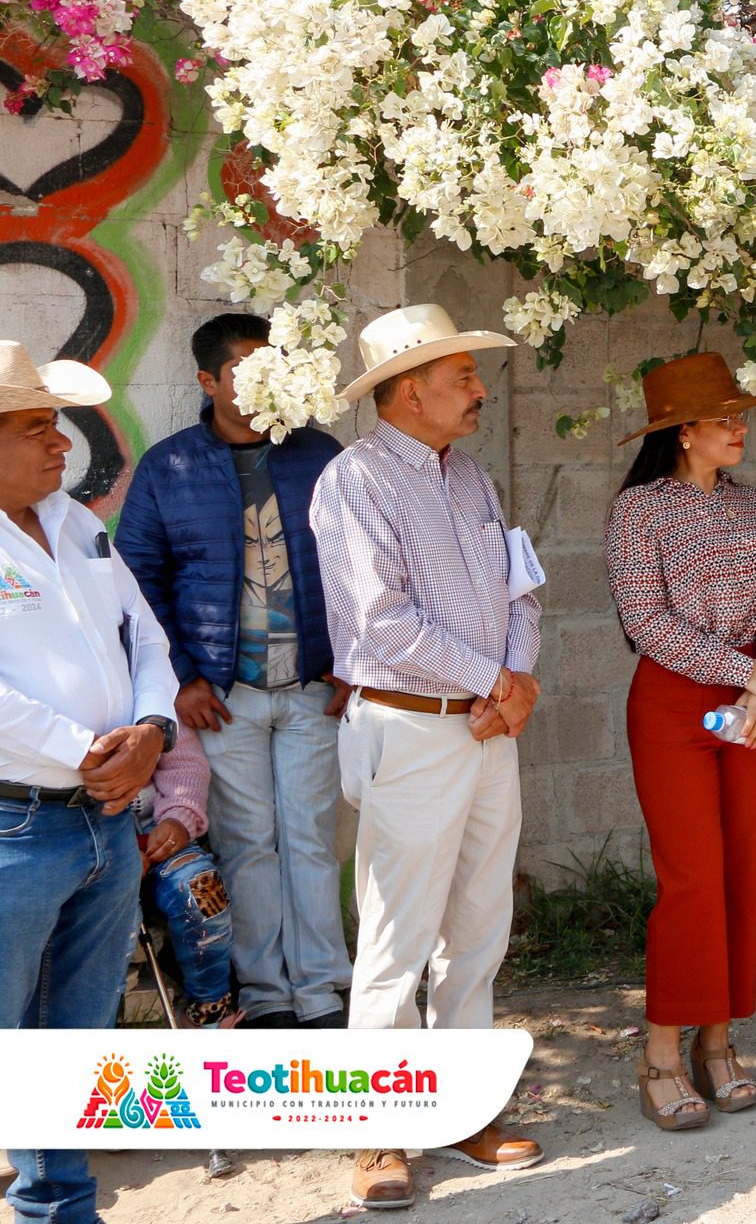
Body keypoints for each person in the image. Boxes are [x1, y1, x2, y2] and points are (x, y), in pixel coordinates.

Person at [310, 304, 544, 1210]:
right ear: (410, 393)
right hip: (411, 731)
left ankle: (461, 1110)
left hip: (487, 728)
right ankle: (379, 1133)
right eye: (462, 379)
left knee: (479, 932)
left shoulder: (472, 478)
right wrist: (496, 679)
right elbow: (379, 622)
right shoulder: (355, 481)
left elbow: (520, 585)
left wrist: (513, 678)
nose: (480, 391)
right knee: (395, 943)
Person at [115, 311, 351, 1029]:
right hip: (224, 696)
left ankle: (320, 991)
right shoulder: (170, 466)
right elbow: (138, 580)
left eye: (271, 368)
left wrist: (351, 661)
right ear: (208, 380)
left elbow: (356, 565)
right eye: (244, 369)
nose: (259, 383)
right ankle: (266, 994)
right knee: (247, 842)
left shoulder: (319, 454)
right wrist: (183, 675)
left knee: (313, 836)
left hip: (314, 686)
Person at [0, 340, 177, 1223]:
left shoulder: (77, 523)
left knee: (74, 1042)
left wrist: (151, 732)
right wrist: (91, 749)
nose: (60, 444)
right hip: (15, 827)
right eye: (36, 430)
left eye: (58, 427)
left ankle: (59, 1207)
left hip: (106, 821)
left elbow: (144, 636)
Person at [606, 354, 756, 1129]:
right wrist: (749, 673)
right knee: (690, 878)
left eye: (739, 416)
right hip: (678, 704)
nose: (739, 428)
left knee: (742, 868)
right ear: (684, 432)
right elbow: (646, 622)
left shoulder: (755, 509)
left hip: (752, 704)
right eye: (724, 419)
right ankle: (659, 1053)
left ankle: (718, 1044)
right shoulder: (639, 512)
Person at [139, 731, 238, 1028]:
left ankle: (207, 1013)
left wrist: (178, 819)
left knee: (203, 889)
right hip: (87, 843)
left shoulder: (148, 688)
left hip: (159, 835)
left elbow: (186, 765)